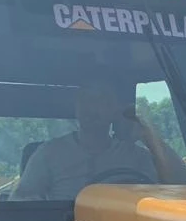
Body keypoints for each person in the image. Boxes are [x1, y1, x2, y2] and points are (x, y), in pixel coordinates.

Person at [14, 81, 158, 200]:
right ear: (76, 107)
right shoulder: (49, 153)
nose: (91, 107)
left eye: (101, 100)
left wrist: (149, 137)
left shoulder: (136, 156)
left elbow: (175, 188)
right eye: (85, 99)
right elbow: (20, 202)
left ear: (115, 110)